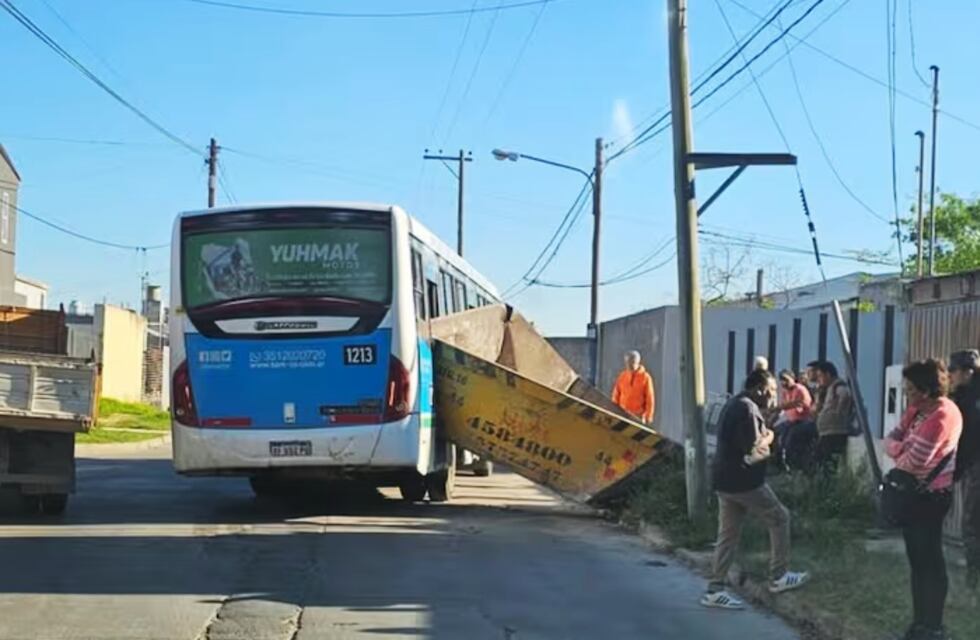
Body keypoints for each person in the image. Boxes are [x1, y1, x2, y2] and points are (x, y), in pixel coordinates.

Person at [700, 369, 810, 609]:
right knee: (780, 518)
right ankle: (779, 576)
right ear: (759, 389)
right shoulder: (748, 409)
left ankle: (715, 589)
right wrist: (769, 437)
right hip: (744, 481)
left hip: (725, 480)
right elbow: (753, 447)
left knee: (727, 535)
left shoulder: (734, 404)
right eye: (771, 391)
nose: (774, 397)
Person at [885, 360, 961, 640]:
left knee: (930, 561)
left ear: (927, 391)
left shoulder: (942, 416)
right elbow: (890, 439)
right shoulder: (918, 409)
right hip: (913, 496)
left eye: (911, 390)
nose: (906, 395)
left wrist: (901, 448)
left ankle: (933, 626)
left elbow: (913, 463)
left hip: (931, 497)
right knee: (916, 561)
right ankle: (918, 624)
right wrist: (900, 446)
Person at [949, 349, 980, 591]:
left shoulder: (968, 398)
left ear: (967, 372)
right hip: (970, 465)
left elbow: (968, 438)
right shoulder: (960, 396)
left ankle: (974, 582)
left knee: (971, 523)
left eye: (953, 371)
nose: (950, 375)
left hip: (974, 465)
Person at [811, 361, 853, 472]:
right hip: (826, 432)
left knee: (828, 464)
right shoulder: (828, 388)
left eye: (820, 376)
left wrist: (838, 412)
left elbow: (845, 395)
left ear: (828, 374)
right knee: (818, 461)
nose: (818, 379)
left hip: (834, 432)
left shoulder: (838, 386)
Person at [773, 369, 813, 469]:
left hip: (803, 420)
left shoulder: (800, 389)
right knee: (775, 433)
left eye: (786, 380)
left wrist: (780, 407)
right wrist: (772, 419)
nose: (783, 383)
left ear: (793, 379)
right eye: (781, 380)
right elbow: (782, 407)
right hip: (791, 420)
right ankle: (777, 464)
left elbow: (797, 404)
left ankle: (793, 466)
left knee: (789, 440)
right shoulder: (784, 391)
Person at [611, 350, 655, 425]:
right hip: (622, 415)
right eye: (627, 363)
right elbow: (616, 395)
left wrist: (648, 417)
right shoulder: (622, 376)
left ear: (637, 362)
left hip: (637, 417)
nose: (629, 366)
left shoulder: (645, 378)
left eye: (632, 363)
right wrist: (613, 411)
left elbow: (650, 399)